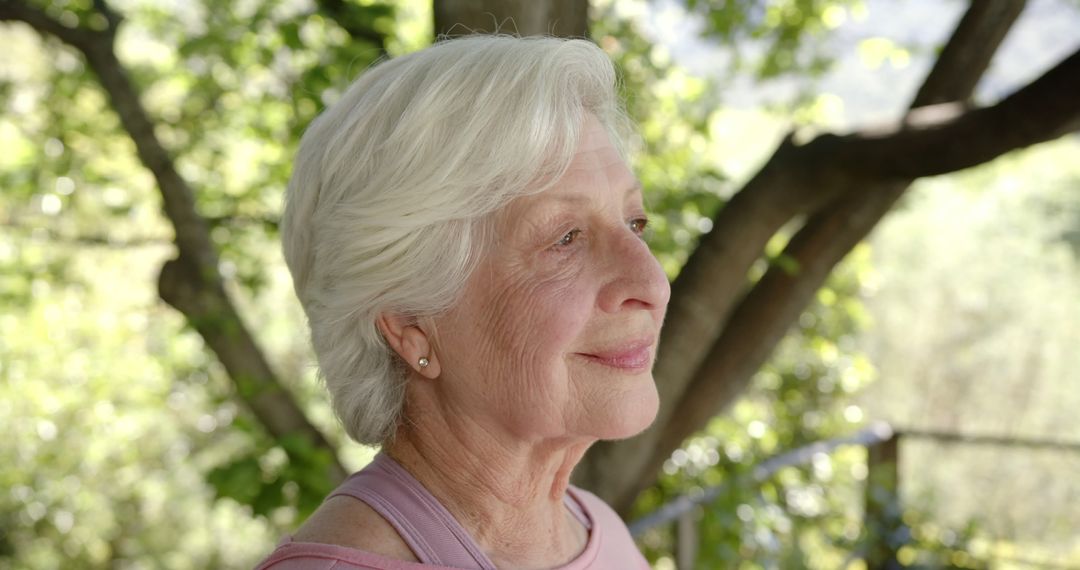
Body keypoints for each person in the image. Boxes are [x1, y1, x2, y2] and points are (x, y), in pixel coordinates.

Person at [257, 34, 670, 570]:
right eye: (564, 238)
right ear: (410, 323)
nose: (652, 282)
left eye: (634, 223)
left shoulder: (596, 530)